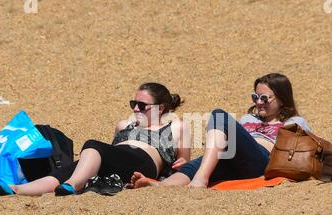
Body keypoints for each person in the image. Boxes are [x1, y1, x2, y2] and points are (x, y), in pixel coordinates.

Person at [0, 83, 191, 196]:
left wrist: (180, 163)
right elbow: (113, 153)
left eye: (142, 105)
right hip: (117, 161)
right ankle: (16, 190)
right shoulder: (123, 125)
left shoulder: (175, 126)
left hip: (142, 164)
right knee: (73, 167)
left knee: (93, 146)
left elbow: (184, 165)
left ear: (160, 108)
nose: (135, 109)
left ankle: (73, 186)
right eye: (133, 103)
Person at [130, 73, 310, 188]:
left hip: (263, 161)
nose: (258, 102)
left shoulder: (294, 121)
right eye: (255, 97)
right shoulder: (249, 119)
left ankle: (201, 179)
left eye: (264, 98)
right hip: (234, 160)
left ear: (282, 99)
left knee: (219, 115)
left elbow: (302, 151)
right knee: (208, 159)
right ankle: (161, 186)